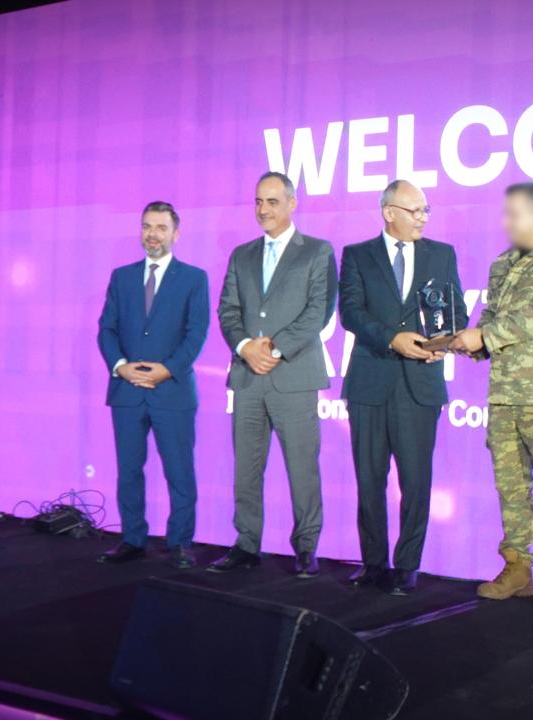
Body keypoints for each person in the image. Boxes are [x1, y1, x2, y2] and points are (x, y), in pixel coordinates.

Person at [449, 183, 533, 613]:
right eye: (506, 214)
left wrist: (485, 336)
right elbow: (491, 317)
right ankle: (517, 568)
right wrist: (469, 344)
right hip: (505, 393)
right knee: (511, 487)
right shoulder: (503, 264)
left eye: (516, 214)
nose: (507, 222)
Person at [339, 179, 466, 595]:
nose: (423, 218)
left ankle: (408, 565)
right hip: (370, 381)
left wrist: (443, 343)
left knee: (416, 480)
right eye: (416, 211)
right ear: (389, 212)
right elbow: (351, 313)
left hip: (419, 385)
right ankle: (373, 563)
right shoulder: (357, 255)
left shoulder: (441, 254)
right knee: (369, 480)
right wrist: (392, 338)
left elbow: (456, 312)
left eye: (426, 210)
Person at [212, 171, 338, 577]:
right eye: (258, 202)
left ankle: (306, 548)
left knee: (302, 468)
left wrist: (275, 348)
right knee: (246, 469)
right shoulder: (242, 255)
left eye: (272, 201)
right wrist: (244, 347)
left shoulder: (317, 251)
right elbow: (228, 311)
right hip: (248, 377)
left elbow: (318, 312)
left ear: (292, 203)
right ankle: (246, 544)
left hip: (294, 377)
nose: (263, 209)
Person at [96, 201, 209, 569]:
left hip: (172, 391)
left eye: (161, 227)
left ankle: (180, 543)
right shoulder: (121, 277)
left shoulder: (194, 278)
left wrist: (168, 369)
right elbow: (107, 329)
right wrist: (120, 367)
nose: (152, 234)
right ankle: (132, 538)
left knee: (179, 472)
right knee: (128, 471)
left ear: (176, 233)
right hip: (127, 391)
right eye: (147, 226)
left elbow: (197, 334)